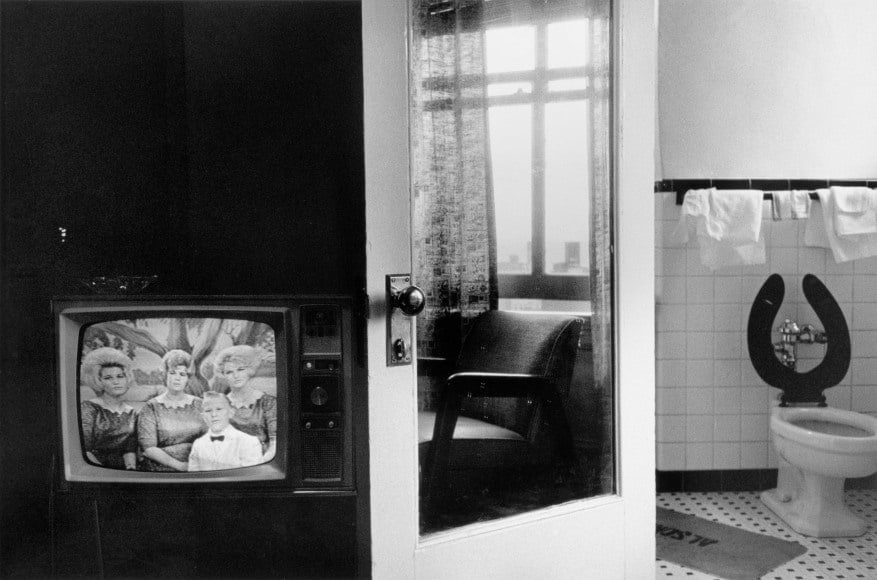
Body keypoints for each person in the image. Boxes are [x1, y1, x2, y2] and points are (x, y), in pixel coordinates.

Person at [137, 349, 205, 471]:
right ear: (165, 375)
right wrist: (180, 466)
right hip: (162, 468)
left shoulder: (199, 404)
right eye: (173, 373)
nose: (177, 378)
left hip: (197, 465)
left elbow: (209, 439)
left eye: (182, 374)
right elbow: (149, 449)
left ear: (188, 378)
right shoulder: (151, 407)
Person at [212, 345, 277, 461]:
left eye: (240, 369)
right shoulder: (220, 403)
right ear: (224, 375)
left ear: (249, 371)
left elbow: (274, 445)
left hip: (262, 460)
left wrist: (261, 464)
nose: (236, 376)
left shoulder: (268, 402)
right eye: (229, 372)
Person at [79, 347, 138, 470]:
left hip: (124, 469)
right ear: (99, 381)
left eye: (120, 376)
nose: (116, 382)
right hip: (94, 469)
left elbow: (129, 448)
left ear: (127, 378)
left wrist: (130, 468)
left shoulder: (131, 412)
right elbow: (84, 450)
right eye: (108, 378)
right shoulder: (89, 408)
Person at [188, 391, 263, 471]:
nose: (214, 414)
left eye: (219, 409)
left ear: (231, 412)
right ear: (203, 417)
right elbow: (194, 476)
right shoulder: (198, 444)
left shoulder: (249, 442)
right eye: (208, 410)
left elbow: (251, 477)